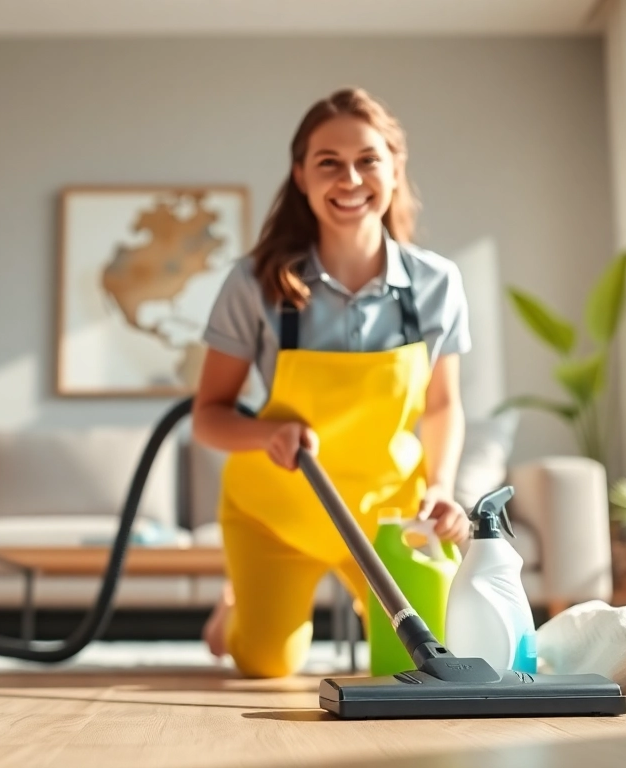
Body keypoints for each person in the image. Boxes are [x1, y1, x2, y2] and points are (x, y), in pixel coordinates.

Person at [191, 87, 473, 679]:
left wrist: (443, 483)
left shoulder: (436, 283)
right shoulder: (256, 283)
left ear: (395, 167)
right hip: (277, 512)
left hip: (388, 519)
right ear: (301, 175)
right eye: (328, 162)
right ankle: (236, 607)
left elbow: (443, 405)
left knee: (421, 661)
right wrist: (265, 434)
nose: (350, 178)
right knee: (267, 663)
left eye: (368, 159)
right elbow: (209, 416)